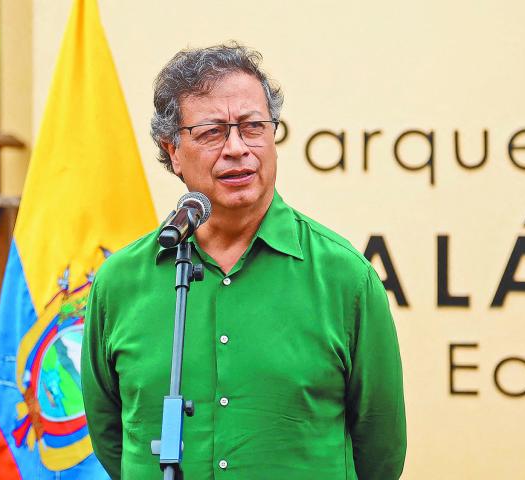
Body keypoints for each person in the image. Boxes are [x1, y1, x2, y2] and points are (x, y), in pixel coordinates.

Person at [81, 42, 406, 479]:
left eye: (253, 126)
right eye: (212, 131)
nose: (237, 148)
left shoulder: (345, 277)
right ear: (172, 150)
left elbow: (380, 450)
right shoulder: (120, 282)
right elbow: (110, 436)